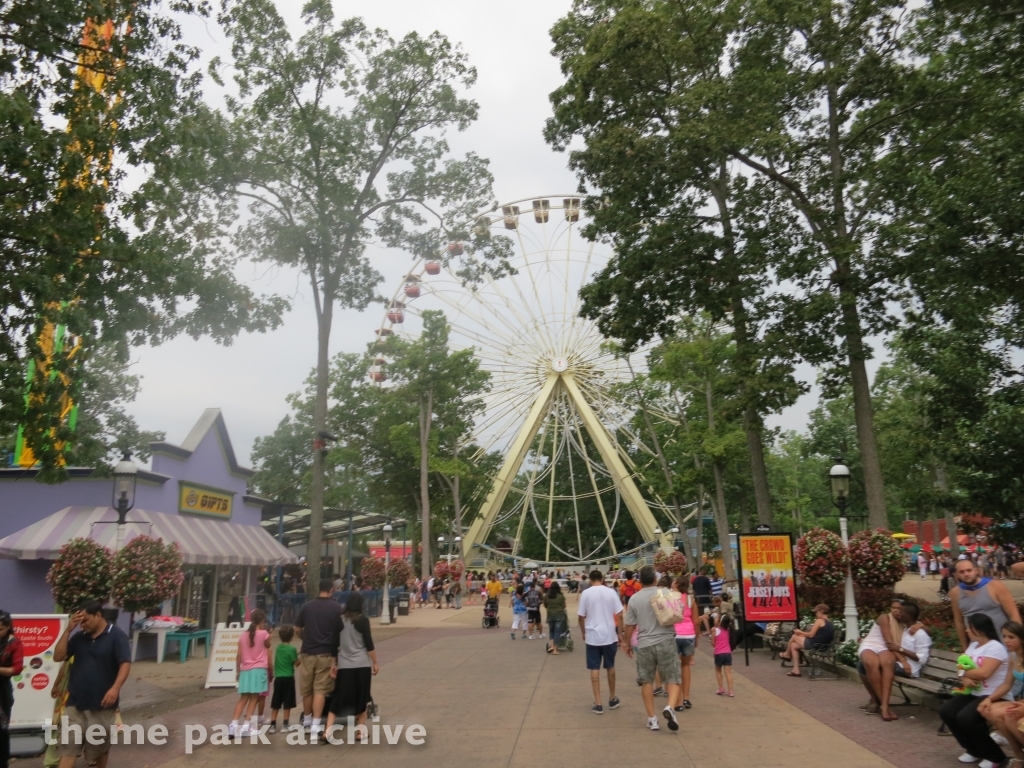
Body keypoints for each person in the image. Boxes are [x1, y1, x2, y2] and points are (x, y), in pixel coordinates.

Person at [52, 601, 131, 768]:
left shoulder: (117, 636)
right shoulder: (79, 637)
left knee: (99, 749)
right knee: (68, 747)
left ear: (98, 615)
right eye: (80, 621)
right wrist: (68, 630)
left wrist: (115, 689)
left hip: (102, 704)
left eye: (86, 620)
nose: (83, 624)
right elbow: (58, 657)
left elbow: (125, 664)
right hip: (75, 704)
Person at [940, 613, 1012, 767]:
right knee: (947, 711)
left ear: (980, 630)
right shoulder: (973, 646)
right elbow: (960, 665)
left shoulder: (995, 647)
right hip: (974, 692)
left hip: (994, 694)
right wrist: (964, 677)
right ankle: (973, 750)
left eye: (969, 627)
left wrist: (962, 673)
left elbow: (985, 673)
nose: (966, 631)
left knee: (966, 717)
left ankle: (996, 757)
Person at [621, 565, 682, 731]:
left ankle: (652, 718)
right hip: (666, 640)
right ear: (655, 579)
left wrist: (626, 643)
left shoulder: (634, 599)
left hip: (645, 643)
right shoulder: (666, 593)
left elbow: (630, 625)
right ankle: (670, 706)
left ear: (640, 580)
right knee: (673, 678)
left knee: (646, 680)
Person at [324, 592, 379, 745]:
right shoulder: (363, 621)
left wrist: (333, 664)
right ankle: (360, 731)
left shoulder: (339, 620)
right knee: (362, 696)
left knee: (339, 696)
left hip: (344, 664)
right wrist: (375, 662)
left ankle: (328, 729)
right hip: (361, 664)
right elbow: (369, 644)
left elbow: (334, 645)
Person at [294, 578, 344, 736]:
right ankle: (316, 723)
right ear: (331, 590)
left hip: (308, 652)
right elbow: (341, 630)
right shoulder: (337, 608)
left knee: (307, 689)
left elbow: (296, 628)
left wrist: (305, 639)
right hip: (326, 653)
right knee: (320, 689)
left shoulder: (307, 607)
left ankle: (307, 721)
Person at [978, 621, 1024, 767]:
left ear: (1022, 638)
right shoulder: (1013, 656)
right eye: (1004, 636)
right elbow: (1006, 684)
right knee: (990, 710)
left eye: (1011, 637)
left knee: (1010, 716)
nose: (1006, 640)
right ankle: (1019, 755)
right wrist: (989, 699)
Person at [578, 569, 623, 714]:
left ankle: (598, 703)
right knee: (610, 666)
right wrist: (620, 633)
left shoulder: (586, 594)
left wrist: (583, 632)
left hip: (592, 635)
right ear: (603, 578)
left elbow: (581, 616)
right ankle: (612, 697)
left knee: (594, 668)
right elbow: (619, 614)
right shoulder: (611, 592)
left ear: (590, 580)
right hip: (609, 634)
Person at [952, 558, 1022, 650]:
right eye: (962, 572)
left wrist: (1019, 643)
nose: (966, 574)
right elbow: (959, 622)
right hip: (978, 648)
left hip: (1004, 644)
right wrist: (965, 648)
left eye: (969, 570)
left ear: (976, 570)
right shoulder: (955, 593)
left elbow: (1013, 613)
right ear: (956, 575)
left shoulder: (995, 586)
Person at [857, 601, 907, 720]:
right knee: (871, 663)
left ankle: (883, 704)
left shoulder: (906, 622)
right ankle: (885, 706)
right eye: (893, 607)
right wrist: (902, 659)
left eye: (898, 608)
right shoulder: (884, 617)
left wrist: (920, 626)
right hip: (872, 644)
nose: (895, 610)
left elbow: (925, 628)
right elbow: (888, 641)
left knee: (887, 663)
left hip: (886, 648)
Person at [229, 608, 271, 739]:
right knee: (254, 699)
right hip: (258, 669)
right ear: (262, 620)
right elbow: (268, 645)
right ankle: (246, 726)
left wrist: (237, 670)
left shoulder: (242, 635)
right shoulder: (264, 633)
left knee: (243, 698)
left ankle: (233, 725)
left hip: (245, 670)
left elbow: (239, 655)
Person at [780, 604, 835, 677]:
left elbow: (811, 635)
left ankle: (787, 654)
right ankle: (796, 670)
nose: (816, 614)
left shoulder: (819, 621)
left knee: (794, 636)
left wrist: (800, 632)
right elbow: (817, 635)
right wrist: (802, 634)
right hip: (822, 646)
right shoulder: (829, 622)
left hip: (814, 645)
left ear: (821, 611)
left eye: (816, 612)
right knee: (793, 645)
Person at [0, 611, 24, 767]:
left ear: (8, 627)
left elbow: (17, 669)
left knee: (1, 731)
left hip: (2, 692)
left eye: (0, 629)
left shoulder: (14, 643)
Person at [672, 575, 698, 711]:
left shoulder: (671, 599)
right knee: (685, 665)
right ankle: (686, 697)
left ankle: (678, 701)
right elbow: (696, 621)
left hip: (675, 634)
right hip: (689, 634)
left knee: (675, 667)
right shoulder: (690, 600)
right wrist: (697, 638)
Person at [269, 624, 299, 733]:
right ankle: (285, 724)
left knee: (276, 701)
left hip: (279, 678)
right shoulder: (292, 649)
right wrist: (299, 656)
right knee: (287, 702)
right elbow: (297, 663)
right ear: (291, 637)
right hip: (288, 678)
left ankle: (273, 724)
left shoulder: (278, 648)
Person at [713, 613, 735, 697]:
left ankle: (721, 688)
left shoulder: (715, 630)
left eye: (717, 618)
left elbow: (713, 643)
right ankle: (731, 691)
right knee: (728, 673)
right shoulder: (729, 630)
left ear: (720, 622)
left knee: (718, 671)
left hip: (718, 653)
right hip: (728, 653)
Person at [545, 582, 568, 655]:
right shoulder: (561, 596)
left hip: (550, 615)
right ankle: (555, 649)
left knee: (551, 631)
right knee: (557, 632)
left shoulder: (547, 596)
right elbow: (564, 606)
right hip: (559, 615)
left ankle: (551, 646)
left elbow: (545, 605)